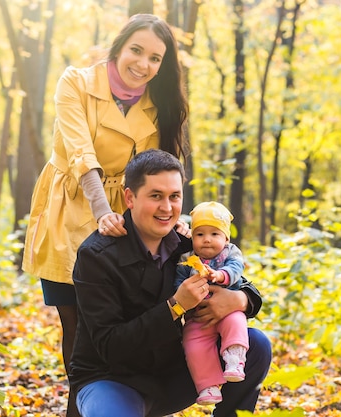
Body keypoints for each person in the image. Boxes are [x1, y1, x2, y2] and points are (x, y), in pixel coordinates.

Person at [21, 14, 188, 417]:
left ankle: (121, 402)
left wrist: (176, 217)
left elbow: (162, 168)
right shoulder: (76, 81)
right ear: (119, 46)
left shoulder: (157, 105)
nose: (143, 65)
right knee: (76, 324)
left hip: (125, 208)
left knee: (116, 319)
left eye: (155, 58)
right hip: (73, 202)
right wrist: (102, 212)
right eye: (136, 50)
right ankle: (79, 405)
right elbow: (80, 152)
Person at [70, 149, 272, 417]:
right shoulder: (97, 255)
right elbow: (110, 346)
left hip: (171, 371)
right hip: (112, 379)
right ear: (129, 197)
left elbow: (246, 287)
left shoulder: (187, 243)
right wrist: (175, 306)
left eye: (174, 196)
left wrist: (240, 299)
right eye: (156, 196)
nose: (167, 208)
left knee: (256, 344)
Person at [174, 201, 249, 405]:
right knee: (193, 341)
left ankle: (234, 358)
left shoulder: (230, 252)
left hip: (226, 309)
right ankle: (208, 386)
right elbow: (178, 282)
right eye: (200, 234)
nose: (207, 240)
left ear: (225, 238)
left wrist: (221, 275)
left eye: (214, 234)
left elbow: (236, 268)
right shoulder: (187, 258)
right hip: (198, 316)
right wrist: (182, 294)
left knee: (236, 321)